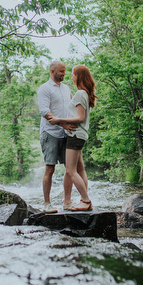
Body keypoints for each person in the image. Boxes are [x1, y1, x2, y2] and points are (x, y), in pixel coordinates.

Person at [49, 65, 97, 211]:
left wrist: (59, 120)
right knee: (79, 169)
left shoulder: (80, 94)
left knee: (70, 170)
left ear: (79, 76)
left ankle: (86, 201)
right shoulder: (83, 94)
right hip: (79, 135)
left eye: (73, 74)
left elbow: (80, 117)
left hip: (75, 135)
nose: (71, 77)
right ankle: (83, 200)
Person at [37, 60, 77, 213]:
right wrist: (63, 124)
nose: (64, 74)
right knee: (50, 168)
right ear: (52, 71)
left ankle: (67, 202)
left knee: (69, 169)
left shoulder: (66, 88)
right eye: (61, 71)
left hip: (67, 133)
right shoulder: (44, 89)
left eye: (65, 71)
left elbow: (74, 105)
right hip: (50, 133)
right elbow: (44, 111)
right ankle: (47, 204)